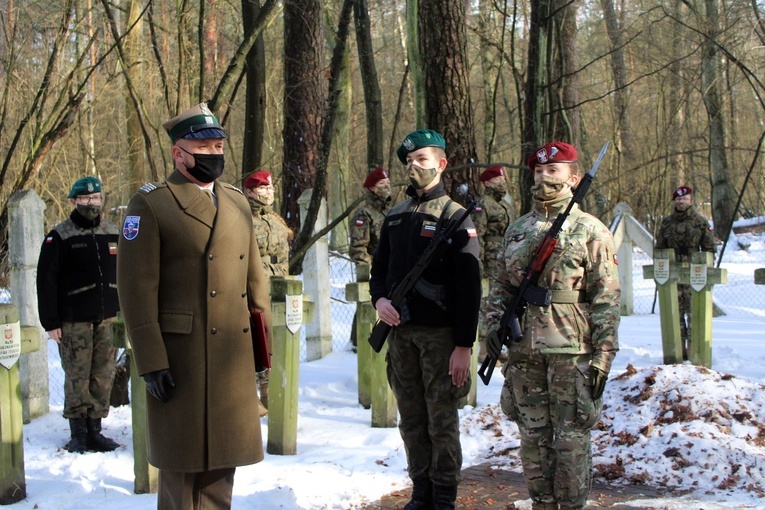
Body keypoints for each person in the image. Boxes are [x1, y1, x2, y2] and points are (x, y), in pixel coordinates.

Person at [116, 103, 272, 510]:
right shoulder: (152, 205)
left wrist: (263, 354)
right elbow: (136, 291)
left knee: (222, 472)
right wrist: (150, 361)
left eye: (218, 145)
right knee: (181, 476)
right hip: (180, 359)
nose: (213, 153)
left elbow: (255, 283)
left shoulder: (237, 202)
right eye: (202, 146)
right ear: (178, 153)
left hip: (230, 359)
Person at [486, 141, 620, 510]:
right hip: (524, 350)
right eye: (539, 171)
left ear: (573, 178)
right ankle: (541, 504)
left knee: (571, 440)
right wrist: (493, 334)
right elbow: (500, 286)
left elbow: (605, 297)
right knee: (532, 438)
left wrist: (604, 355)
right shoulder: (517, 229)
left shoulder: (591, 230)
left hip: (571, 350)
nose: (544, 177)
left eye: (554, 171)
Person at [370, 129, 482, 510]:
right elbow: (379, 268)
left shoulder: (455, 216)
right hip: (401, 335)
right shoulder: (396, 216)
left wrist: (464, 345)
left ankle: (444, 495)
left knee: (441, 420)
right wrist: (380, 300)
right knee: (411, 419)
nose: (413, 166)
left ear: (441, 164)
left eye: (421, 159)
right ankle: (421, 490)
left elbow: (470, 289)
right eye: (409, 160)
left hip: (441, 338)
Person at [36, 176, 121, 454]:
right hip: (73, 320)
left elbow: (126, 272)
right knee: (77, 374)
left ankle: (96, 429)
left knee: (103, 373)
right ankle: (79, 433)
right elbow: (46, 280)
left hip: (107, 317)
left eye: (95, 198)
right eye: (84, 199)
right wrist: (50, 322)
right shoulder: (60, 236)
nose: (91, 204)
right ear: (73, 201)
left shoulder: (112, 231)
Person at [243, 169, 293, 416]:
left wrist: (273, 269)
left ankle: (272, 397)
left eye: (270, 188)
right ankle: (249, 399)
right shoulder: (241, 219)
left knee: (276, 345)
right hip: (251, 290)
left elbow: (284, 259)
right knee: (255, 343)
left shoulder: (276, 221)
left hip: (278, 288)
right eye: (262, 188)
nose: (268, 193)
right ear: (250, 191)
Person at [654, 185, 715, 360]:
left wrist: (706, 270)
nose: (681, 202)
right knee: (674, 315)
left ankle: (695, 350)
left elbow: (709, 249)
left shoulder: (700, 222)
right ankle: (677, 352)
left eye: (685, 199)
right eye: (678, 199)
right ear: (674, 201)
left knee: (694, 313)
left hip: (694, 275)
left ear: (691, 201)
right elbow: (660, 248)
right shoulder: (667, 223)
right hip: (672, 276)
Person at [472, 165, 516, 361]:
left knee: (503, 301)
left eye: (503, 179)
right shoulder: (483, 204)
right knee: (486, 303)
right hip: (489, 261)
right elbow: (476, 236)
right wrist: (478, 262)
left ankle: (500, 342)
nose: (502, 182)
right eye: (497, 180)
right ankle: (484, 347)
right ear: (487, 183)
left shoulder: (506, 205)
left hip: (507, 259)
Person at [349, 167, 392, 265]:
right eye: (381, 183)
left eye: (388, 183)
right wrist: (372, 269)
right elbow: (358, 250)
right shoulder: (364, 214)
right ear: (372, 188)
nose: (386, 186)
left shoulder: (392, 211)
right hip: (377, 270)